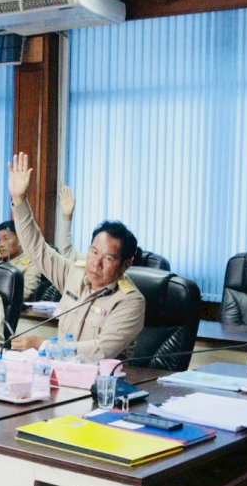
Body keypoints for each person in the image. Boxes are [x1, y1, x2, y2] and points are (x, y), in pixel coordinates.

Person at [7, 153, 145, 358]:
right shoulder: (75, 274)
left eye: (107, 258)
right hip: (59, 374)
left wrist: (43, 345)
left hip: (102, 383)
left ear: (126, 264)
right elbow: (37, 248)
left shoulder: (130, 301)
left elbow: (102, 350)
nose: (95, 264)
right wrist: (19, 200)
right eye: (93, 252)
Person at [0, 176, 80, 299]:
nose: (1, 244)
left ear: (19, 240)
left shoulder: (31, 262)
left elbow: (27, 293)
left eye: (6, 238)